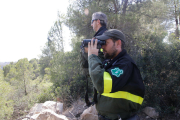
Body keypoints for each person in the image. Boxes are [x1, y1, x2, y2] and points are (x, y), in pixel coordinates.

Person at [87, 29, 145, 120]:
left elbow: (102, 83)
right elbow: (89, 68)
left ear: (118, 43)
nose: (102, 47)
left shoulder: (125, 64)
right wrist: (86, 53)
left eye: (105, 42)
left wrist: (92, 57)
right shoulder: (110, 61)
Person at [80, 12, 108, 106]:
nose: (91, 24)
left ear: (98, 21)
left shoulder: (98, 40)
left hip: (103, 85)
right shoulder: (111, 36)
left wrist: (86, 51)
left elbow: (97, 62)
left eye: (92, 21)